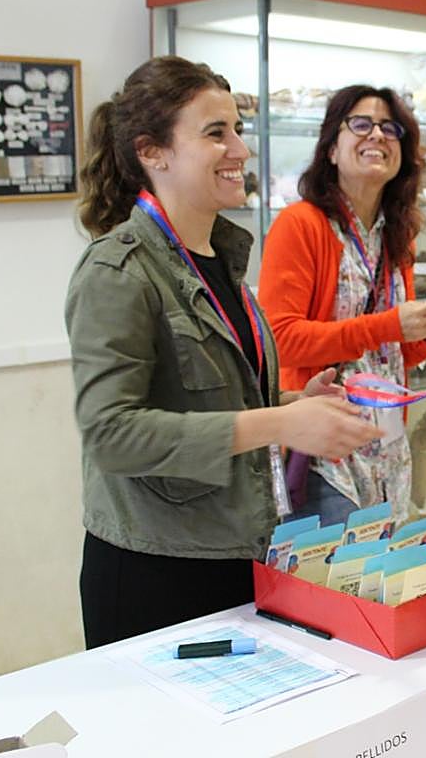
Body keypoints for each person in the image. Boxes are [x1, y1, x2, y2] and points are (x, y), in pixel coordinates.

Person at [66, 56, 382, 649]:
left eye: (238, 129)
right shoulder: (118, 271)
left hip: (240, 550)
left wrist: (296, 403)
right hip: (154, 568)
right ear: (152, 152)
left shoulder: (223, 261)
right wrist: (281, 420)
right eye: (216, 133)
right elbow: (110, 434)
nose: (240, 148)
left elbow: (211, 398)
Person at [258, 85, 426, 525]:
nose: (377, 136)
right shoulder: (300, 226)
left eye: (390, 128)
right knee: (338, 588)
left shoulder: (396, 232)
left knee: (382, 587)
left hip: (388, 448)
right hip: (326, 452)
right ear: (330, 148)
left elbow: (387, 354)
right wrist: (388, 325)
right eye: (360, 124)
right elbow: (280, 342)